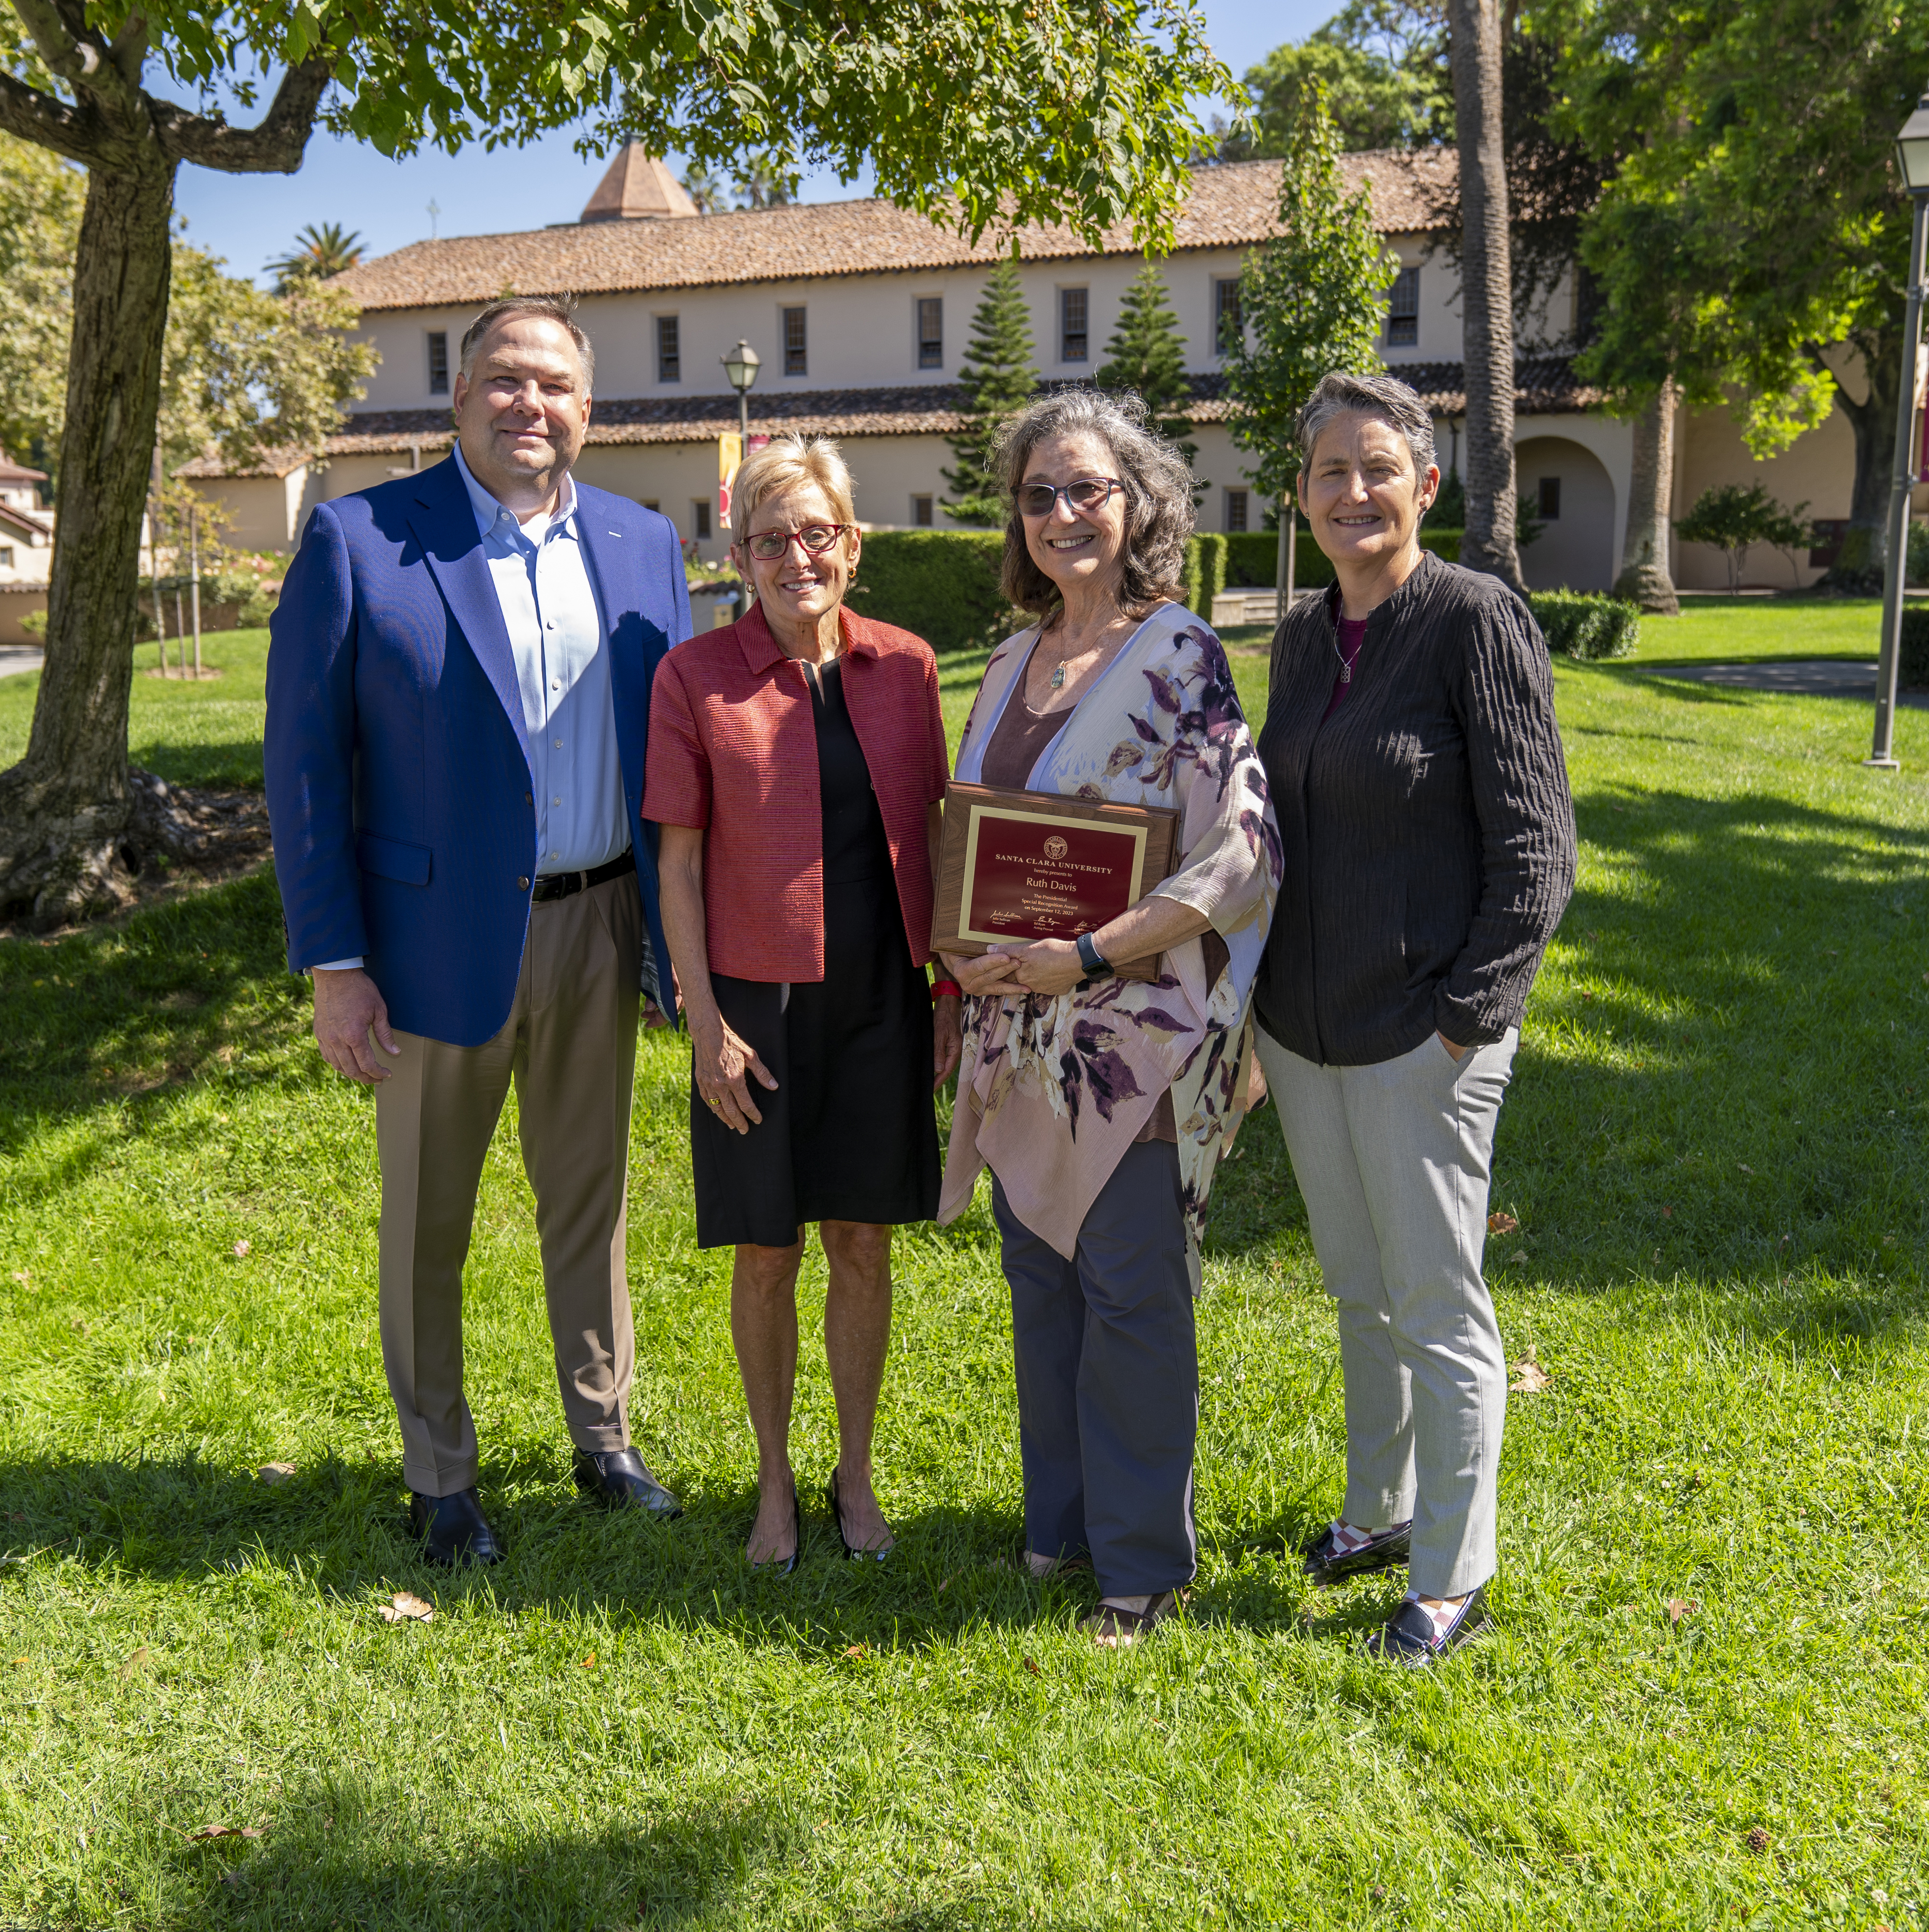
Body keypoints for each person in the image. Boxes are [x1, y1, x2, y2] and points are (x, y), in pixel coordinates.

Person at [264, 297, 692, 1567]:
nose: (530, 406)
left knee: (590, 1200)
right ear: (458, 398)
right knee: (427, 1218)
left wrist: (680, 945)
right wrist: (336, 964)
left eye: (554, 385)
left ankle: (603, 1437)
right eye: (505, 380)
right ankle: (438, 1474)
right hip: (429, 944)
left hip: (601, 921)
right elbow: (304, 765)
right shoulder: (362, 540)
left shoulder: (644, 543)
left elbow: (673, 747)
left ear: (589, 408)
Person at [937, 390, 1280, 1646]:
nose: (1065, 514)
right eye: (1040, 496)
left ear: (1139, 504)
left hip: (1130, 1037)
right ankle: (1061, 1525)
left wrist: (1084, 953)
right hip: (1017, 1032)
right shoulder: (1007, 661)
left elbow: (1240, 853)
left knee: (1132, 1296)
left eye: (1089, 490)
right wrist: (972, 955)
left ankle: (1139, 1568)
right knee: (1042, 1278)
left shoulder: (1181, 652)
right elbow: (979, 839)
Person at [1252, 369, 1576, 1665]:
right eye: (1329, 471)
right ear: (1301, 496)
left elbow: (1539, 856)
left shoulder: (1474, 622)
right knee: (1358, 1293)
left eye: (1378, 467)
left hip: (1423, 1038)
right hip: (1305, 1031)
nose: (1353, 491)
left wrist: (1466, 1021)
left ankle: (1452, 1570)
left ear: (1425, 486)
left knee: (1437, 1304)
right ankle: (1379, 1512)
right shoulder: (1296, 637)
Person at [646, 435, 960, 1572]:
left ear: (852, 547)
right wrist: (702, 1023)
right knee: (767, 1250)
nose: (796, 558)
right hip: (755, 1010)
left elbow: (932, 834)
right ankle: (774, 1480)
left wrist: (949, 988)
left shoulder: (909, 668)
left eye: (815, 534)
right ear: (741, 556)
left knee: (863, 1241)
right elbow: (676, 867)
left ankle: (856, 1472)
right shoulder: (694, 677)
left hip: (881, 996)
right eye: (771, 540)